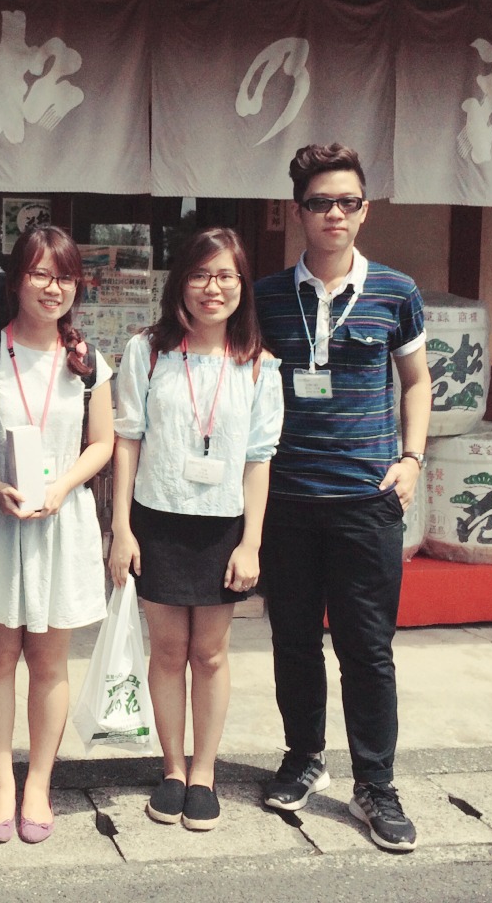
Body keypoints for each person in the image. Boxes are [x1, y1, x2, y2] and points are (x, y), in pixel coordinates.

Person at [253, 143, 430, 853]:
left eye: (347, 203)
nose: (335, 214)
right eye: (321, 203)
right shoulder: (267, 296)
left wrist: (412, 460)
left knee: (367, 649)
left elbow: (416, 381)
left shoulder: (396, 291)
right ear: (298, 212)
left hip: (366, 498)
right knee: (294, 640)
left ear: (364, 210)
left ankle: (376, 785)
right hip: (288, 497)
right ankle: (303, 758)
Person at [108, 227, 283, 832]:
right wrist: (121, 529)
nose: (214, 288)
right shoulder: (147, 351)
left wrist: (251, 543)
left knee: (209, 654)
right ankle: (173, 769)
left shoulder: (258, 365)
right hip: (156, 518)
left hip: (223, 528)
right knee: (166, 650)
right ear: (181, 282)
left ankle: (204, 773)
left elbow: (258, 460)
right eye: (201, 274)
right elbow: (127, 440)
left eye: (226, 275)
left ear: (242, 285)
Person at [0, 225, 115, 844]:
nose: (54, 288)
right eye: (41, 274)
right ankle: (1, 783)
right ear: (17, 280)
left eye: (65, 277)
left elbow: (102, 443)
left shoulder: (88, 362)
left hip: (61, 519)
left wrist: (61, 487)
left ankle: (39, 784)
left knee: (50, 664)